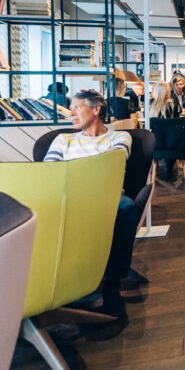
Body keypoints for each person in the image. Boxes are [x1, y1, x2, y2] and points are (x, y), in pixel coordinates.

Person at [43, 89, 138, 322]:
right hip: (68, 197)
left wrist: (72, 170)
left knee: (126, 208)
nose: (71, 114)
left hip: (105, 196)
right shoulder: (63, 139)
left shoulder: (119, 137)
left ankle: (112, 284)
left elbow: (112, 165)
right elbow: (48, 172)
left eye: (76, 108)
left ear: (96, 110)